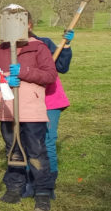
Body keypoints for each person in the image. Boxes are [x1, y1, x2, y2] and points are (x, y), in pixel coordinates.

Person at [0, 5, 58, 211]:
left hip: (31, 110)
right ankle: (15, 187)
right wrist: (3, 77)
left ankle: (42, 191)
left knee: (36, 150)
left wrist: (25, 71)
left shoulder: (39, 48)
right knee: (13, 150)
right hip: (8, 110)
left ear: (28, 25)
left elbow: (50, 75)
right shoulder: (0, 50)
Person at [25, 19, 75, 198]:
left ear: (30, 24)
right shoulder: (11, 48)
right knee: (27, 142)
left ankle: (47, 185)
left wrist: (66, 46)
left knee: (47, 141)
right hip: (26, 101)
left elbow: (62, 66)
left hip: (50, 101)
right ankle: (30, 182)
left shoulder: (45, 43)